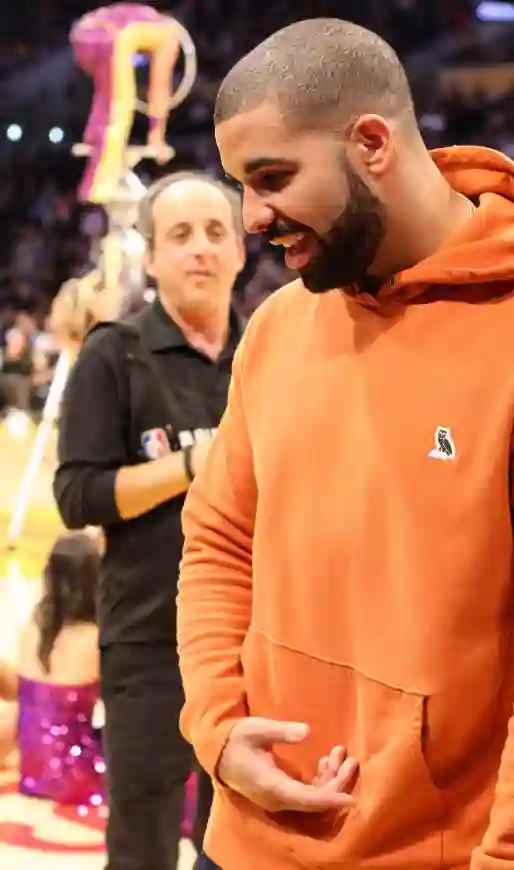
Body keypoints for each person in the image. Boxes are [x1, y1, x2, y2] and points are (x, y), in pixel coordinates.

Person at [177, 18, 514, 870]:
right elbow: (216, 543)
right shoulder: (280, 326)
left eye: (273, 177)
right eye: (241, 185)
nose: (251, 217)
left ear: (370, 143)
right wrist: (216, 728)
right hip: (239, 837)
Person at [54, 170, 246, 870]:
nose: (200, 248)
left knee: (238, 847)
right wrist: (198, 465)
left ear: (240, 252)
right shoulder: (115, 353)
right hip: (148, 640)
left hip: (250, 644)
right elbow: (79, 495)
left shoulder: (268, 354)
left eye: (216, 232)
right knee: (141, 848)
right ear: (153, 256)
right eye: (180, 235)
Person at [0, 531, 103, 805]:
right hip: (77, 775)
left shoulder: (31, 629)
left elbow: (23, 700)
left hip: (32, 771)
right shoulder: (97, 639)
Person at [70, 3, 179, 203]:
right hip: (112, 39)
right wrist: (157, 133)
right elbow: (160, 87)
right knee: (120, 104)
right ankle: (98, 185)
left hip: (81, 36)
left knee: (107, 90)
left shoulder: (136, 15)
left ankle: (93, 135)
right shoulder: (165, 33)